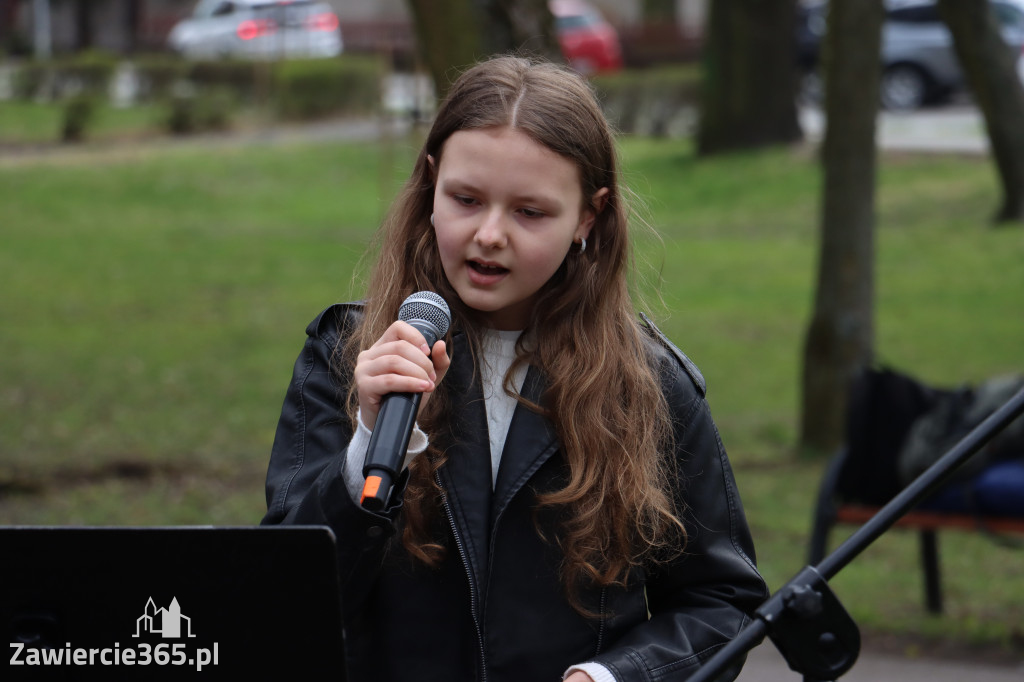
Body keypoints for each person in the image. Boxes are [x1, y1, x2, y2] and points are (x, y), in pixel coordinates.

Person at [262, 55, 768, 681]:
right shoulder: (346, 356)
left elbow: (722, 604)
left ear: (588, 216)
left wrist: (612, 677)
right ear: (430, 185)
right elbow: (283, 594)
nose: (490, 234)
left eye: (530, 212)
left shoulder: (650, 386)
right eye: (466, 199)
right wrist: (368, 440)